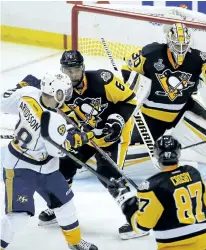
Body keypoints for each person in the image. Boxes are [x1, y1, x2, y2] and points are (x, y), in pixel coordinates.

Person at [120, 23, 206, 238]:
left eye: (184, 45)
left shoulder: (199, 58)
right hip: (151, 115)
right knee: (125, 152)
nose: (181, 50)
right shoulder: (150, 52)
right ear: (169, 42)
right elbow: (127, 70)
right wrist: (134, 85)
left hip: (183, 109)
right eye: (176, 45)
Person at [32, 51, 144, 236]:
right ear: (62, 70)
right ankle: (58, 206)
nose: (73, 74)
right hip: (86, 135)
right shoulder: (60, 90)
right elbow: (54, 114)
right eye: (68, 70)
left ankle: (137, 220)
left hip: (114, 134)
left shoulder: (102, 79)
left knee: (109, 175)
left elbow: (129, 100)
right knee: (63, 166)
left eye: (76, 69)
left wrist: (116, 120)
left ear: (83, 68)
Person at [0, 72, 98, 250]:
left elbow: (3, 102)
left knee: (65, 204)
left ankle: (74, 242)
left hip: (46, 167)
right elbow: (58, 151)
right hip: (20, 167)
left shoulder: (28, 93)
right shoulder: (55, 121)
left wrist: (20, 86)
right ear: (58, 94)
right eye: (65, 92)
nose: (67, 96)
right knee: (18, 217)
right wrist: (79, 138)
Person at [108, 135, 206, 250]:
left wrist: (124, 198)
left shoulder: (152, 186)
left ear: (157, 155)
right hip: (205, 244)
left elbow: (141, 227)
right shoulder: (193, 173)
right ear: (178, 153)